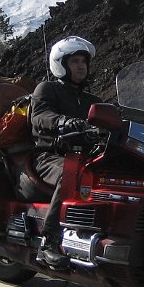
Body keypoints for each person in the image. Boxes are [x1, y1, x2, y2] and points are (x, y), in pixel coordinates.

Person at [29, 36, 101, 268]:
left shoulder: (92, 100)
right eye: (75, 61)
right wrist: (61, 121)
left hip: (86, 157)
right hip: (49, 156)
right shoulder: (47, 89)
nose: (81, 66)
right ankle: (48, 243)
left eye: (83, 61)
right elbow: (39, 115)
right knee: (72, 174)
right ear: (61, 64)